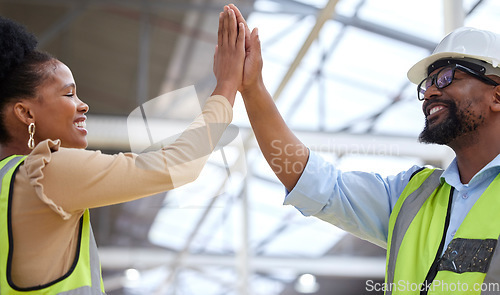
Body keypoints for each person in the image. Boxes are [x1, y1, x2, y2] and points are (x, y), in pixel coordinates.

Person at [229, 3, 500, 294]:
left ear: (497, 96)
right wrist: (253, 89)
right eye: (428, 84)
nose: (431, 92)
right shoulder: (412, 198)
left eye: (447, 77)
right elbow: (314, 182)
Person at [0, 6, 245, 294]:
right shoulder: (45, 173)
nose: (83, 105)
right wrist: (226, 87)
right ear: (25, 114)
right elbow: (179, 165)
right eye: (68, 94)